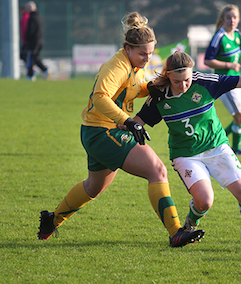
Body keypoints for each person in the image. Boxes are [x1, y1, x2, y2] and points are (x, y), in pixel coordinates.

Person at [37, 12, 205, 248]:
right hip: (104, 132)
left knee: (93, 187)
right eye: (142, 53)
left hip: (96, 132)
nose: (147, 58)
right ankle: (176, 231)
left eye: (150, 53)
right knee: (157, 170)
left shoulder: (134, 66)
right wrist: (129, 121)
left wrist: (151, 88)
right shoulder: (117, 66)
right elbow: (100, 97)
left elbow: (132, 88)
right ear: (127, 49)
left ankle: (51, 221)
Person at [133, 51, 241, 236]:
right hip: (186, 155)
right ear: (168, 75)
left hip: (217, 147)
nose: (183, 85)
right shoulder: (159, 97)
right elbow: (137, 122)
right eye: (177, 81)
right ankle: (191, 222)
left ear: (192, 73)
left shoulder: (205, 82)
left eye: (187, 80)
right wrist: (113, 124)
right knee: (204, 201)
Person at [204, 4, 241, 155]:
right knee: (240, 116)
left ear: (238, 19)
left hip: (239, 79)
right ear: (223, 19)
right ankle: (235, 148)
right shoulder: (219, 37)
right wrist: (228, 64)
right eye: (228, 17)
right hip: (225, 82)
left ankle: (222, 135)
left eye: (235, 17)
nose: (232, 20)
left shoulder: (237, 34)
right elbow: (207, 60)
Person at [24, 1, 49, 81]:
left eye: (27, 8)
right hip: (40, 40)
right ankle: (45, 70)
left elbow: (31, 30)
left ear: (30, 8)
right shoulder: (39, 17)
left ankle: (30, 75)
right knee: (35, 57)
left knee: (31, 57)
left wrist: (27, 37)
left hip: (34, 41)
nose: (25, 10)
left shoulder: (32, 17)